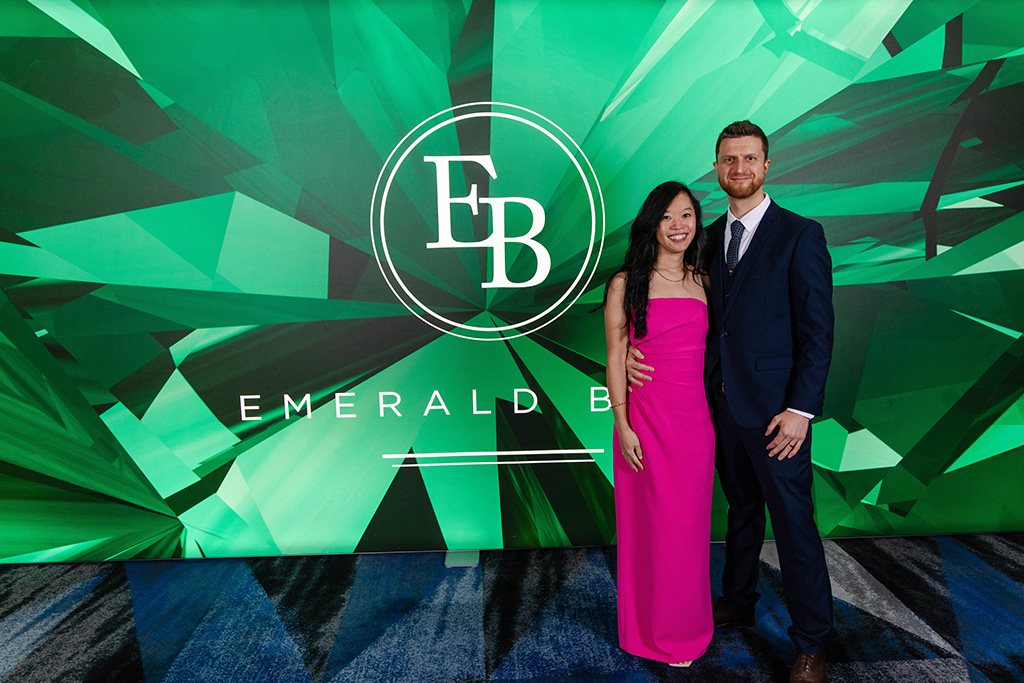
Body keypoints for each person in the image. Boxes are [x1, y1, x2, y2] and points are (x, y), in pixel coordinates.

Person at [627, 121, 835, 683]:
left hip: (778, 416)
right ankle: (738, 601)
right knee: (740, 513)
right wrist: (630, 352)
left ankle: (812, 642)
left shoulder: (800, 234)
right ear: (717, 168)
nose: (739, 168)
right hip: (717, 408)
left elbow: (817, 331)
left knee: (793, 524)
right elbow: (680, 313)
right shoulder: (706, 238)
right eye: (728, 159)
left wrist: (801, 410)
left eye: (749, 159)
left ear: (766, 165)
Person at [603, 181, 715, 667]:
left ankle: (686, 630)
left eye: (686, 215)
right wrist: (623, 423)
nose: (677, 225)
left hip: (695, 427)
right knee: (651, 532)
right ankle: (648, 631)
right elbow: (614, 356)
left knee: (686, 534)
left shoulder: (705, 281)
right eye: (667, 216)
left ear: (697, 222)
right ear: (652, 224)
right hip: (645, 423)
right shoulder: (625, 283)